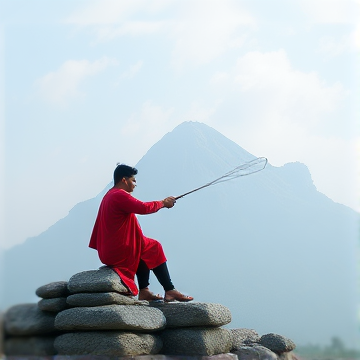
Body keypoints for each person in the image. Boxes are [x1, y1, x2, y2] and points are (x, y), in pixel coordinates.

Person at [89, 163, 193, 302]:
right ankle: (169, 290)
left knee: (144, 248)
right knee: (154, 247)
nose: (135, 184)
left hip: (108, 250)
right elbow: (143, 208)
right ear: (124, 180)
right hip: (117, 250)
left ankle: (145, 291)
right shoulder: (119, 195)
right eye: (133, 181)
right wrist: (163, 203)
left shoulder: (109, 195)